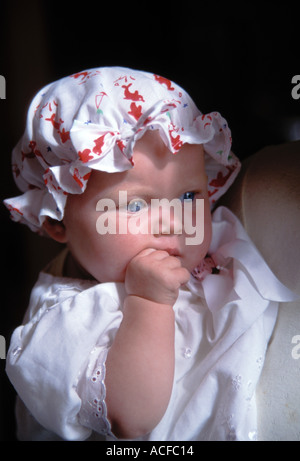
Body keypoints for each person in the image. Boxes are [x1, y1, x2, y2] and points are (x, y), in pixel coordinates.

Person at [3, 67, 296, 441]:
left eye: (189, 196)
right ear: (57, 221)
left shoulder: (218, 235)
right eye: (136, 205)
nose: (174, 222)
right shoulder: (62, 323)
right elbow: (132, 419)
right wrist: (148, 302)